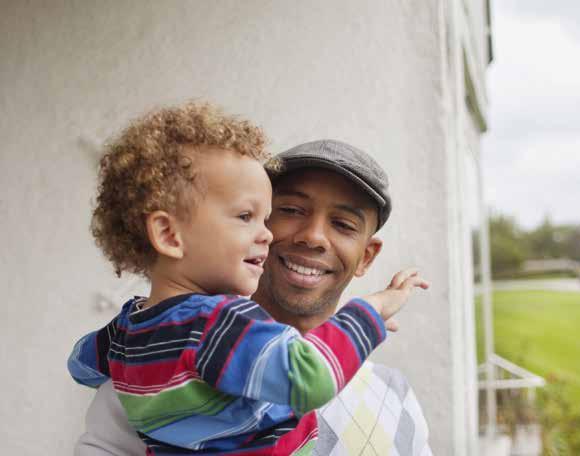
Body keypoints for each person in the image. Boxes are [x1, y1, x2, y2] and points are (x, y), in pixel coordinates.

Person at [68, 103, 428, 455]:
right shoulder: (167, 362)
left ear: (367, 256)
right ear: (169, 233)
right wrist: (371, 311)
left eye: (343, 224)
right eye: (287, 211)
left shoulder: (393, 397)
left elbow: (81, 363)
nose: (313, 236)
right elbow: (310, 375)